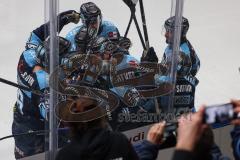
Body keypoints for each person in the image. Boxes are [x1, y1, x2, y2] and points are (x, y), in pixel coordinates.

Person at [12, 10, 80, 158]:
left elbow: (36, 34)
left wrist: (60, 20)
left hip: (21, 119)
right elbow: (54, 117)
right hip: (34, 135)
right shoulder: (45, 83)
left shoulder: (29, 55)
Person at [157, 16, 201, 114]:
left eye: (169, 31)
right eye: (166, 30)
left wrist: (153, 75)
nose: (165, 34)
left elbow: (172, 80)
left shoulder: (182, 53)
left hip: (177, 107)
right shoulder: (171, 47)